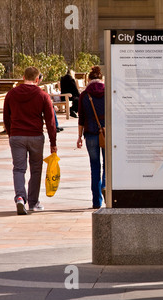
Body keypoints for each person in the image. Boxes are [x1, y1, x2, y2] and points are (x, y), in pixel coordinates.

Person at [3, 66, 57, 215]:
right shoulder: (42, 95)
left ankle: (20, 197)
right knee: (36, 169)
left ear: (23, 77)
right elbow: (50, 121)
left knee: (19, 169)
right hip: (35, 137)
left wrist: (11, 134)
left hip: (17, 136)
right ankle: (33, 202)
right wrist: (53, 142)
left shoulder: (11, 94)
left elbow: (6, 117)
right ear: (37, 79)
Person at [76, 66, 105, 209]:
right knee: (108, 165)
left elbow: (81, 117)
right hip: (106, 134)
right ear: (101, 78)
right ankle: (105, 187)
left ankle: (96, 201)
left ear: (88, 79)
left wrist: (79, 136)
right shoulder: (108, 92)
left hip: (91, 134)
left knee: (95, 167)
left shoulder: (84, 95)